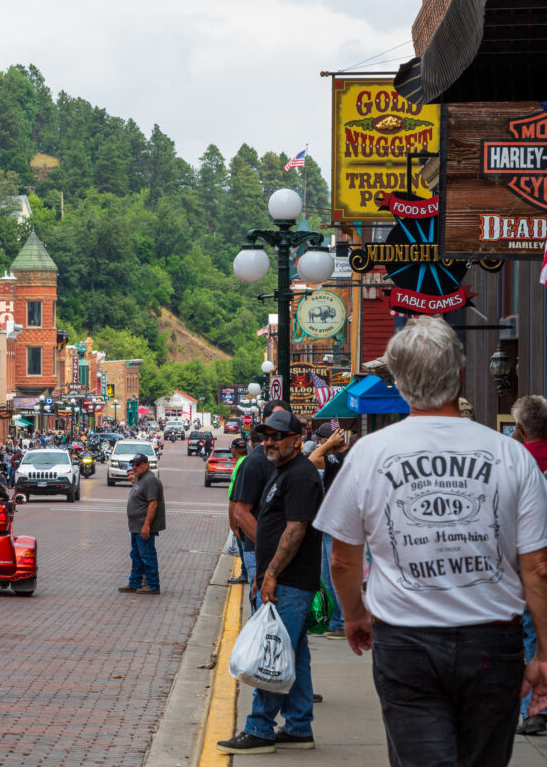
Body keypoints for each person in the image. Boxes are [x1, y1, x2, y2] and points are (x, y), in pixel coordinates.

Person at [315, 317, 547, 766]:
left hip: (406, 641)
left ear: (400, 384)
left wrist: (354, 615)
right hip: (492, 644)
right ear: (459, 377)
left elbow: (342, 560)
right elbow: (538, 566)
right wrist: (544, 653)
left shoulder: (369, 453)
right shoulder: (511, 456)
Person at [218, 409, 323, 755]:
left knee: (271, 653)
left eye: (277, 436)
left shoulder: (301, 476)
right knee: (295, 654)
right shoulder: (282, 472)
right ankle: (298, 726)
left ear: (297, 440)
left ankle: (259, 729)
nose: (269, 442)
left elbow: (295, 530)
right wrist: (261, 573)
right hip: (281, 580)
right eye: (266, 436)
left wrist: (272, 574)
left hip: (290, 583)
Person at [231, 399, 291, 598]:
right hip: (261, 553)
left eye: (284, 419)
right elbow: (240, 511)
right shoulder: (254, 462)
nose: (278, 424)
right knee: (263, 614)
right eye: (274, 418)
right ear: (264, 422)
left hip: (290, 555)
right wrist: (269, 547)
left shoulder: (292, 462)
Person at [513, 395, 547, 734]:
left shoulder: (514, 465)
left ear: (521, 429)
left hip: (528, 567)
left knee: (530, 635)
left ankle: (535, 710)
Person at [308, 422, 351, 641]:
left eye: (322, 440)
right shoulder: (339, 459)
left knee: (335, 576)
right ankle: (335, 622)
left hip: (337, 525)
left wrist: (330, 444)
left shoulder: (340, 458)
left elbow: (312, 459)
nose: (319, 444)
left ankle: (342, 623)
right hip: (331, 525)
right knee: (326, 575)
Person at [118, 453, 165, 595]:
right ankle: (135, 582)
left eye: (137, 465)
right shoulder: (141, 479)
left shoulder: (150, 480)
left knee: (147, 555)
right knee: (136, 555)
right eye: (133, 465)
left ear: (146, 464)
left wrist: (146, 525)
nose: (135, 467)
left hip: (143, 527)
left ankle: (152, 584)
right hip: (135, 526)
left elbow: (153, 503)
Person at [226, 437, 250, 584]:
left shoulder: (242, 465)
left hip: (240, 512)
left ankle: (245, 573)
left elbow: (235, 495)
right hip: (241, 510)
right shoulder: (244, 462)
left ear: (233, 449)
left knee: (243, 545)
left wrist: (234, 523)